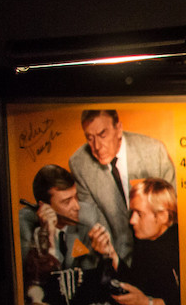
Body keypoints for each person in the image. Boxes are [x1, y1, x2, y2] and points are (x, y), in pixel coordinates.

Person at [69, 108, 175, 267]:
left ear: (118, 129)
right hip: (117, 258)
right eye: (89, 138)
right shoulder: (79, 164)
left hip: (161, 255)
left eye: (102, 135)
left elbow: (173, 214)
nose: (97, 146)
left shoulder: (154, 151)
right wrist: (117, 264)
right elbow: (95, 224)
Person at [18, 164, 107, 305]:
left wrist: (104, 253)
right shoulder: (23, 224)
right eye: (66, 202)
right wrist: (49, 234)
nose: (77, 206)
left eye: (76, 197)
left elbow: (89, 277)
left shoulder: (88, 215)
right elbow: (39, 281)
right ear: (44, 207)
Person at [91, 177, 181, 305]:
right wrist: (111, 254)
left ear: (163, 216)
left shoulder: (183, 247)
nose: (132, 220)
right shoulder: (146, 241)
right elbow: (137, 286)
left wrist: (148, 304)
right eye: (132, 212)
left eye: (139, 214)